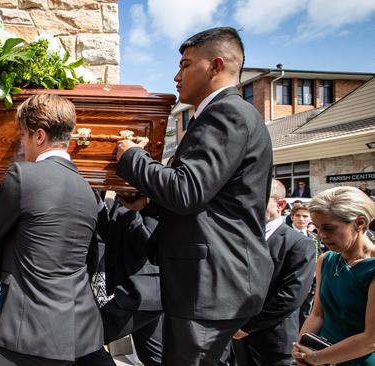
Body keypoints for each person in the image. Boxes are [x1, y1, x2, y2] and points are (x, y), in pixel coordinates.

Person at [115, 26, 274, 365]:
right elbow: (209, 197)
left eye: (185, 65)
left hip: (210, 284)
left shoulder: (226, 113)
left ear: (215, 65)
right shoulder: (220, 115)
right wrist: (147, 200)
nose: (176, 75)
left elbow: (187, 191)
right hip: (207, 283)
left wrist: (131, 157)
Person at [0, 94, 104, 365]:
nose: (21, 143)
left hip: (30, 329)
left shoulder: (23, 176)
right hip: (79, 330)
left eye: (22, 135)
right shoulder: (87, 190)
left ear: (39, 136)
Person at [231, 179, 315, 366]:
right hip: (238, 338)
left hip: (274, 339)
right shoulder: (243, 237)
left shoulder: (299, 243)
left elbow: (291, 295)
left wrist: (247, 326)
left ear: (281, 204)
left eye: (259, 197)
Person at [75, 191, 163, 366]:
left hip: (143, 294)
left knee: (85, 339)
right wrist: (98, 204)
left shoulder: (155, 203)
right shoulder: (123, 197)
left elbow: (148, 247)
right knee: (155, 357)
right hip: (143, 295)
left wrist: (131, 210)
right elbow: (113, 235)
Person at [292, 186, 375, 365]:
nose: (321, 235)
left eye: (329, 228)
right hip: (320, 354)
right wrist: (301, 347)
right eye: (317, 227)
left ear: (359, 223)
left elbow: (371, 339)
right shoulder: (326, 259)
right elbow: (317, 314)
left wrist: (317, 358)